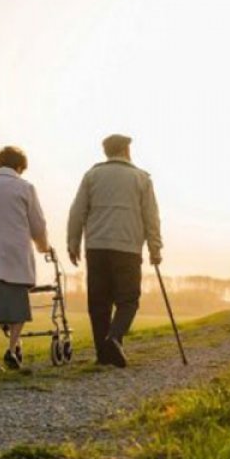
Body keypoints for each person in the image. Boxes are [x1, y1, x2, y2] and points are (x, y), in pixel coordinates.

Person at [67, 134, 163, 367]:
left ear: (107, 152)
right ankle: (114, 338)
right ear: (127, 150)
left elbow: (77, 211)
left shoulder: (92, 175)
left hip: (96, 247)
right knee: (128, 300)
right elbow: (151, 217)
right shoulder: (141, 178)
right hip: (127, 248)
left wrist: (73, 242)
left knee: (98, 302)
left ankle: (104, 354)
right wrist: (155, 247)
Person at [0, 146, 50, 372]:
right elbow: (37, 224)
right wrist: (43, 247)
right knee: (18, 306)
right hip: (15, 254)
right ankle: (12, 348)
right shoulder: (25, 188)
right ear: (19, 166)